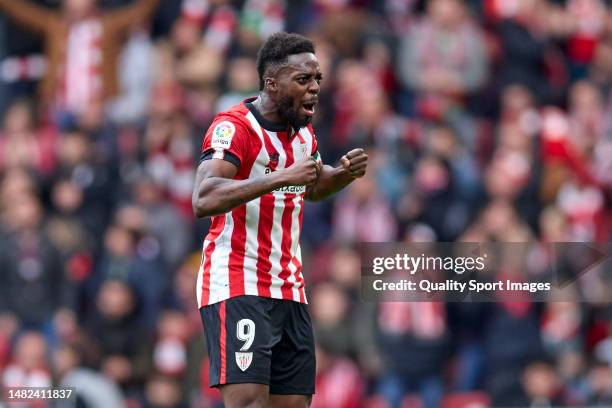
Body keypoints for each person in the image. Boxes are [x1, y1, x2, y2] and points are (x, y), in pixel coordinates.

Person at [192, 32, 368, 407]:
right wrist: (278, 177)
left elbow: (312, 187)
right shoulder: (235, 127)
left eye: (317, 79)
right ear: (271, 83)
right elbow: (203, 197)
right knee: (249, 403)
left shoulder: (303, 134)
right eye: (303, 80)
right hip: (238, 282)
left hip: (289, 288)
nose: (315, 88)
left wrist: (342, 175)